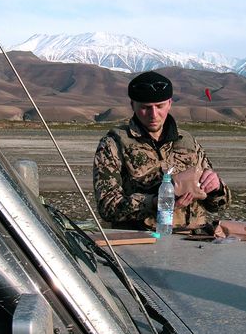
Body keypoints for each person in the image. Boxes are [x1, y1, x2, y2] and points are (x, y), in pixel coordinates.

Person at [93, 70, 231, 230]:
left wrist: (217, 188)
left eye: (160, 106)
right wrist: (155, 202)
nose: (153, 114)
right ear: (132, 105)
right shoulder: (113, 144)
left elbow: (218, 206)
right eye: (145, 107)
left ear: (170, 103)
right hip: (140, 240)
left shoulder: (188, 143)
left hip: (192, 239)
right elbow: (107, 207)